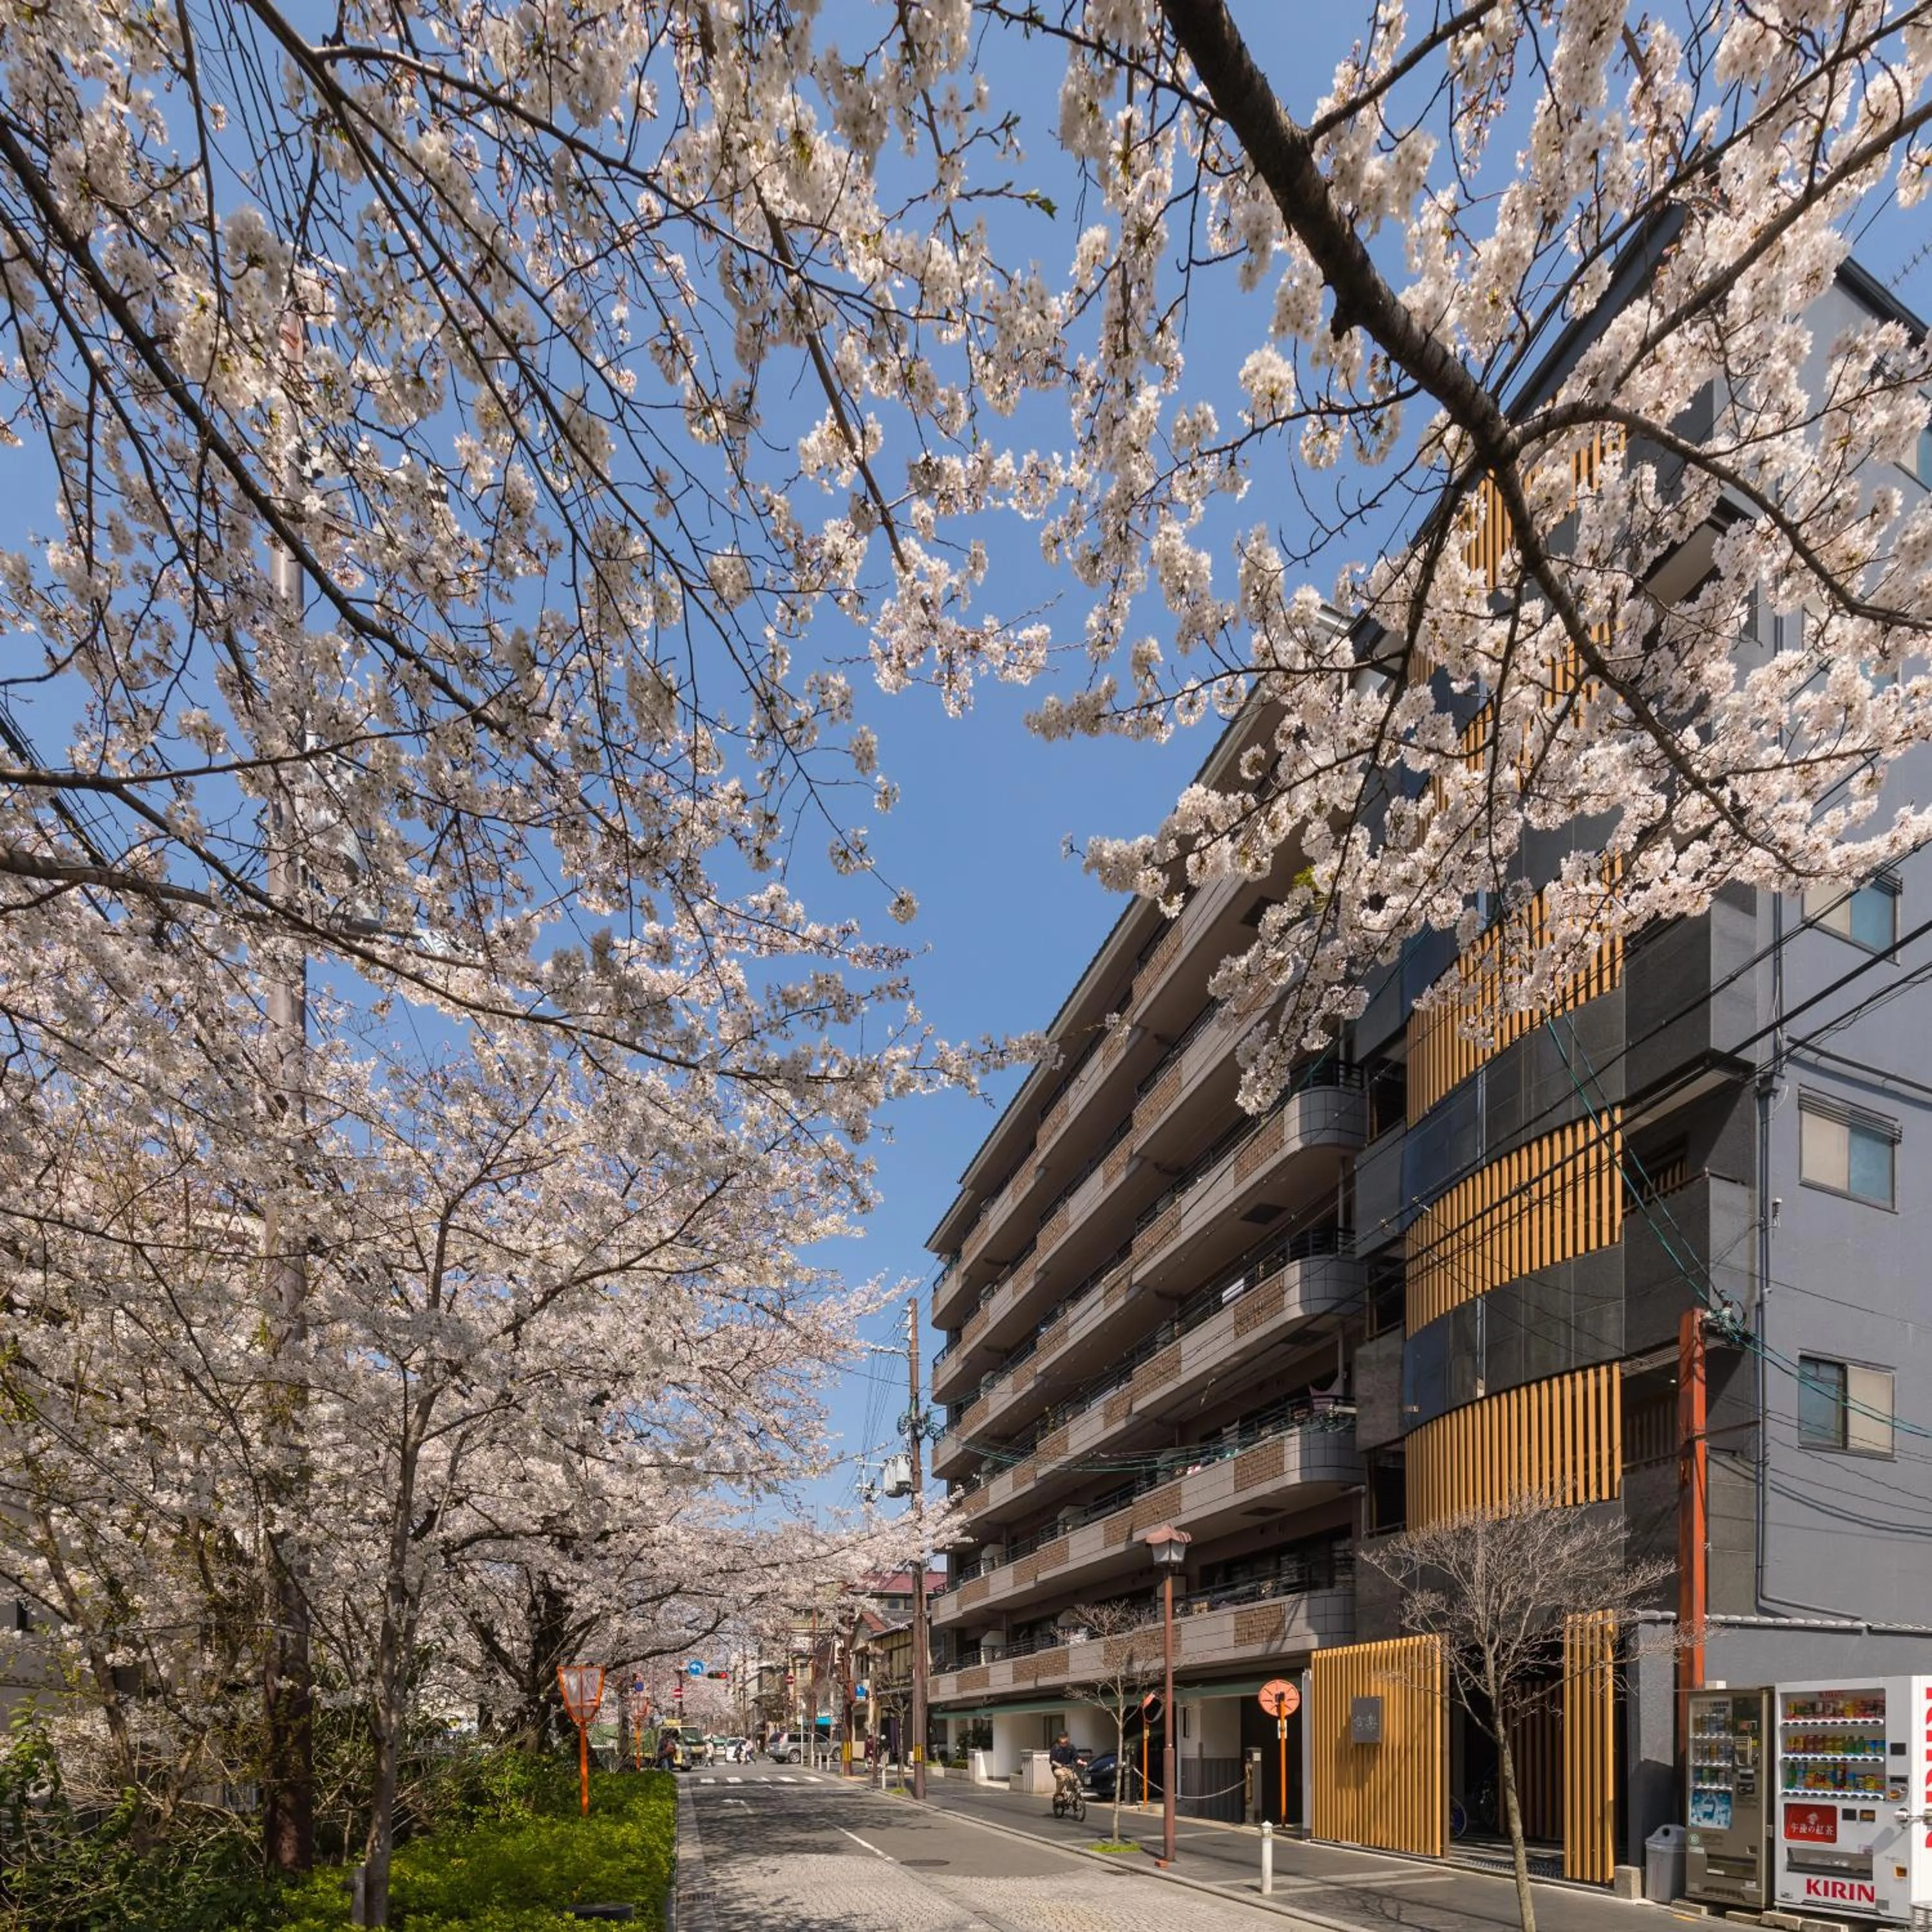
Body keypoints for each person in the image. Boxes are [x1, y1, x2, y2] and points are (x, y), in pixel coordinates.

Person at [1049, 1732, 1081, 1809]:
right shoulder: (1055, 1748)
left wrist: (1081, 1762)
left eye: (1064, 1737)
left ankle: (1075, 1799)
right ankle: (1059, 1795)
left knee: (1077, 1782)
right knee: (1062, 1778)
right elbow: (1052, 1761)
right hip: (1058, 1769)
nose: (1063, 1739)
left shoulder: (1071, 1747)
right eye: (1061, 1737)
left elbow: (1076, 1757)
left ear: (1067, 1738)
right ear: (1059, 1738)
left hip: (1068, 1768)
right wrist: (1058, 1765)